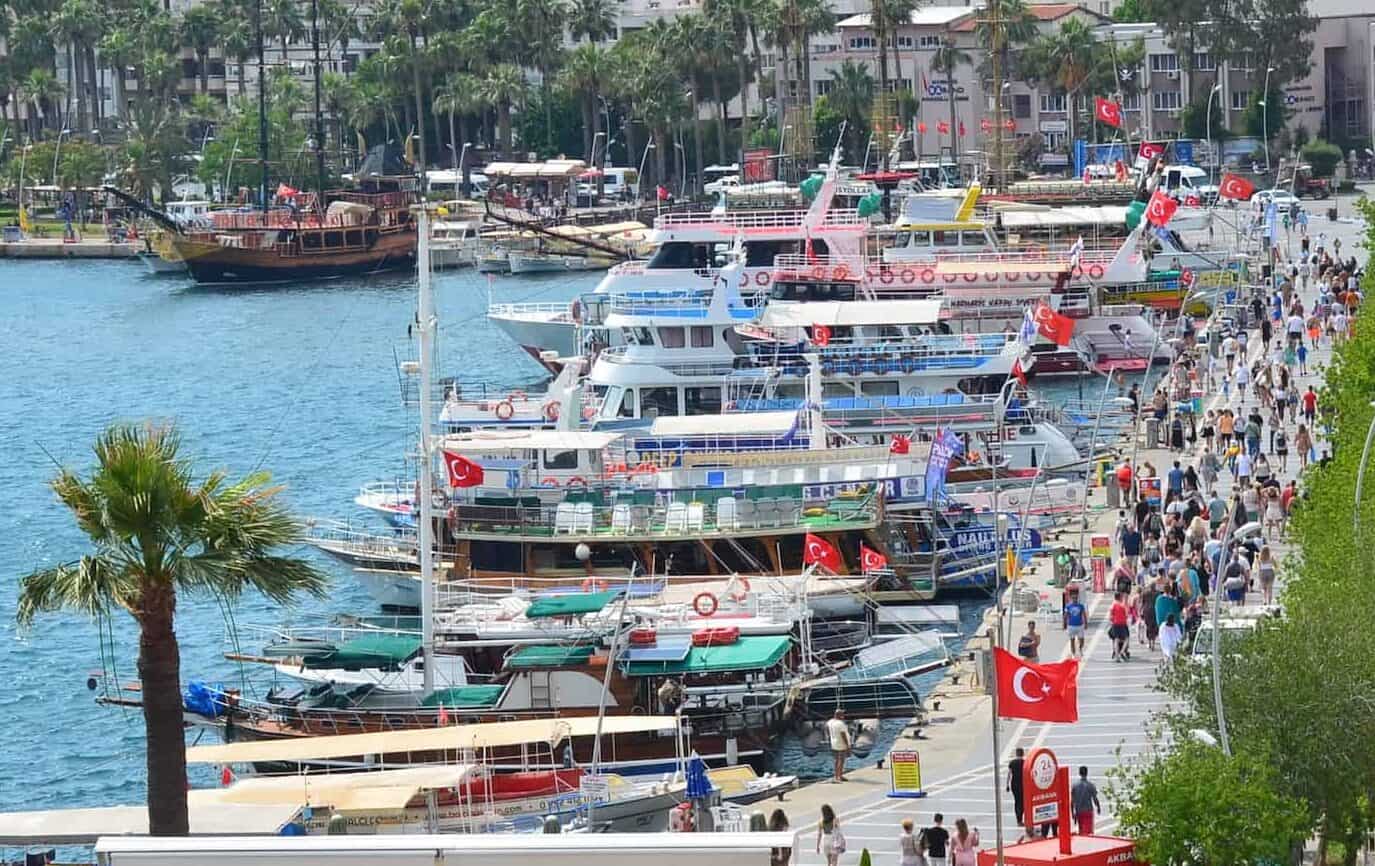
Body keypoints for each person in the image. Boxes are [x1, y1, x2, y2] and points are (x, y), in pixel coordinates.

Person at [1071, 766, 1101, 835]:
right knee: (1088, 832)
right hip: (1088, 811)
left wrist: (1073, 813)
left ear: (1079, 773)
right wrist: (1098, 807)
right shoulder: (1090, 785)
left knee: (1081, 831)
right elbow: (1095, 798)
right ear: (1087, 773)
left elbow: (1072, 801)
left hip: (1079, 811)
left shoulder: (1074, 786)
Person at [826, 710, 850, 783]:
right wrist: (847, 745)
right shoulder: (840, 724)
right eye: (842, 714)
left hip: (833, 743)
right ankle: (839, 777)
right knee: (841, 760)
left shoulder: (830, 722)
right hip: (841, 743)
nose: (843, 716)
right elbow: (843, 735)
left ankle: (837, 775)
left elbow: (827, 730)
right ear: (839, 715)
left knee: (836, 760)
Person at [1109, 592, 1131, 662]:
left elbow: (1110, 617)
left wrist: (1113, 621)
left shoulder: (1112, 605)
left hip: (1115, 624)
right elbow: (1127, 614)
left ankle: (1117, 656)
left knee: (1116, 639)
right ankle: (1122, 651)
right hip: (1123, 624)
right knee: (1126, 638)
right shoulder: (1122, 605)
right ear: (1120, 597)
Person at [1064, 593, 1087, 658]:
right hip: (1071, 625)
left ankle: (1080, 648)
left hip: (1080, 625)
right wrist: (1065, 624)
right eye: (1073, 598)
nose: (1075, 599)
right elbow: (1065, 615)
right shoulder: (1068, 606)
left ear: (1077, 599)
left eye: (1076, 598)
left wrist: (1085, 623)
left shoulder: (1081, 606)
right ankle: (1073, 653)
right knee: (1072, 640)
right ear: (1071, 599)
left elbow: (1084, 615)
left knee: (1082, 639)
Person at [1007, 748, 1026, 825]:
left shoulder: (1012, 763)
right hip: (1023, 784)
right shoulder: (1025, 762)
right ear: (1023, 753)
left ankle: (1018, 819)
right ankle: (1021, 818)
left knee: (1017, 801)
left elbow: (1009, 774)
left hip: (1014, 784)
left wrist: (1007, 785)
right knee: (1022, 802)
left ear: (1016, 754)